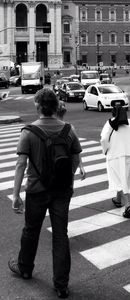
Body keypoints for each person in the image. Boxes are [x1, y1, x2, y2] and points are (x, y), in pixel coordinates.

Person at [8, 88, 82, 298]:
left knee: (31, 230)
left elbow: (21, 164)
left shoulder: (29, 132)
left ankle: (24, 268)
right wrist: (69, 178)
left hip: (36, 190)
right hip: (61, 191)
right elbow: (75, 158)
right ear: (56, 106)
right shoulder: (68, 130)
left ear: (38, 106)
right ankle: (61, 285)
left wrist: (15, 195)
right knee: (61, 235)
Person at [100, 105, 130, 218]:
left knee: (117, 180)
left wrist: (105, 149)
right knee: (124, 179)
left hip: (114, 155)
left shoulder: (110, 123)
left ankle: (127, 205)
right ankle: (118, 199)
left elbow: (104, 139)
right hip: (129, 155)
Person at [57, 101, 86, 180]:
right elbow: (76, 151)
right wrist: (80, 167)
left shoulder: (47, 128)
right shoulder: (70, 128)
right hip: (66, 169)